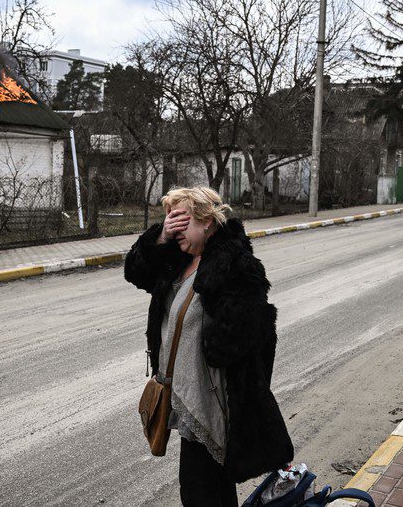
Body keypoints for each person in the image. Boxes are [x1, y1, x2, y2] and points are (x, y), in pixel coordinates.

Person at [124, 186, 293, 506]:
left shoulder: (235, 266)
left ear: (207, 222)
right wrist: (160, 238)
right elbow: (136, 271)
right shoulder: (178, 258)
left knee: (201, 492)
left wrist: (216, 340)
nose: (173, 229)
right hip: (187, 401)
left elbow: (251, 337)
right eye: (169, 220)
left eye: (180, 220)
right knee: (207, 492)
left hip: (213, 404)